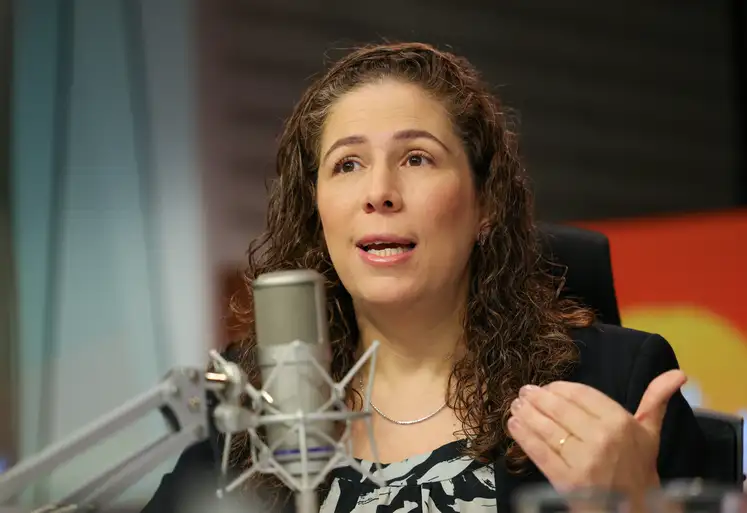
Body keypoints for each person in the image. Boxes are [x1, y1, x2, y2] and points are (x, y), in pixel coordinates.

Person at [141, 42, 706, 513]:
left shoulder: (613, 384)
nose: (379, 192)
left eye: (416, 158)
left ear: (486, 204)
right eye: (347, 164)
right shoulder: (255, 398)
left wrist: (642, 506)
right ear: (316, 213)